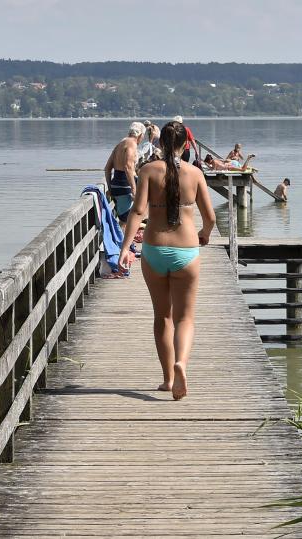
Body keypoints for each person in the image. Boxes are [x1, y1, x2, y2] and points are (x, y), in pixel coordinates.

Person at [119, 121, 214, 401]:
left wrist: (126, 248)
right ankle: (181, 363)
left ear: (160, 143)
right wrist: (204, 235)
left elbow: (137, 212)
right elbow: (210, 218)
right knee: (185, 317)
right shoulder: (195, 173)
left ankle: (167, 379)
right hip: (186, 250)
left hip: (154, 250)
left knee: (162, 316)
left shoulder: (147, 170)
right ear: (186, 145)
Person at [104, 122, 145, 221]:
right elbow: (128, 167)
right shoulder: (132, 144)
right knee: (126, 221)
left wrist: (110, 188)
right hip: (125, 186)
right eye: (143, 136)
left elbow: (107, 168)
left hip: (116, 185)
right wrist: (134, 190)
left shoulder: (120, 144)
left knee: (126, 218)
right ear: (140, 135)